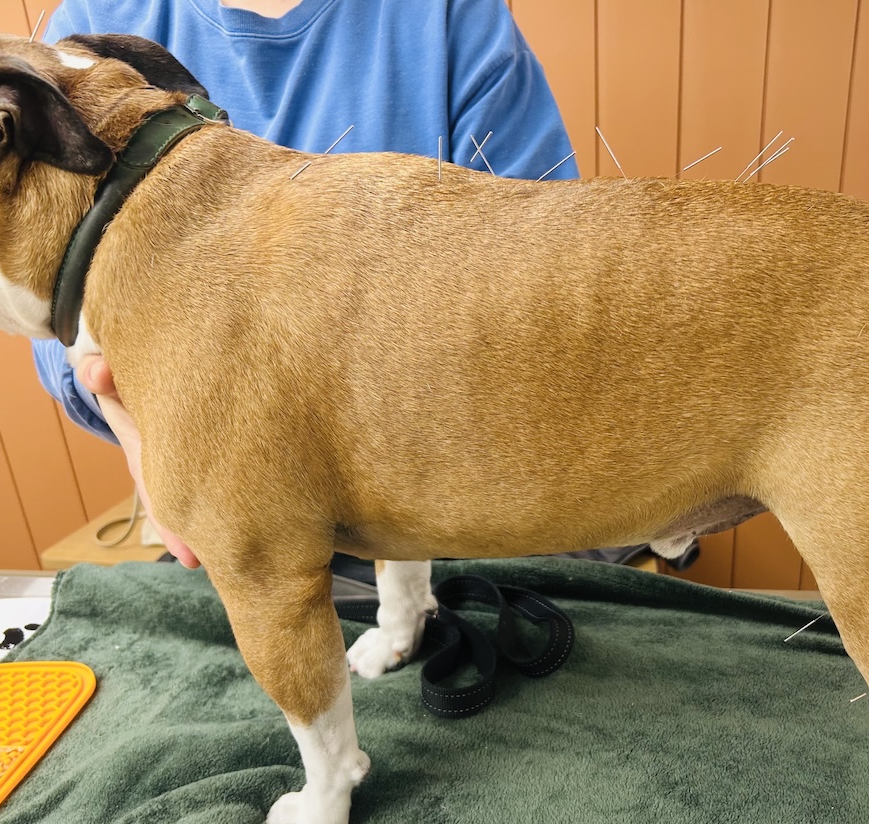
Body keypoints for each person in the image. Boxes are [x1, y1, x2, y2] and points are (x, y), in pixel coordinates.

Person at [33, 0, 579, 565]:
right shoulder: (95, 16)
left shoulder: (447, 15)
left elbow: (545, 285)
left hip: (458, 496)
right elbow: (49, 299)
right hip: (232, 504)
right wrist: (117, 402)